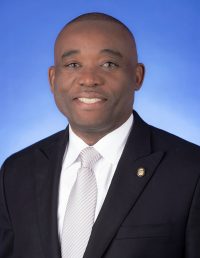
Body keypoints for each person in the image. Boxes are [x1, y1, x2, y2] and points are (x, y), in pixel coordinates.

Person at [0, 12, 200, 258]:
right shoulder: (16, 173)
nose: (89, 80)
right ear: (53, 79)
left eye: (109, 64)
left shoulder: (191, 171)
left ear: (137, 76)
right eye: (73, 65)